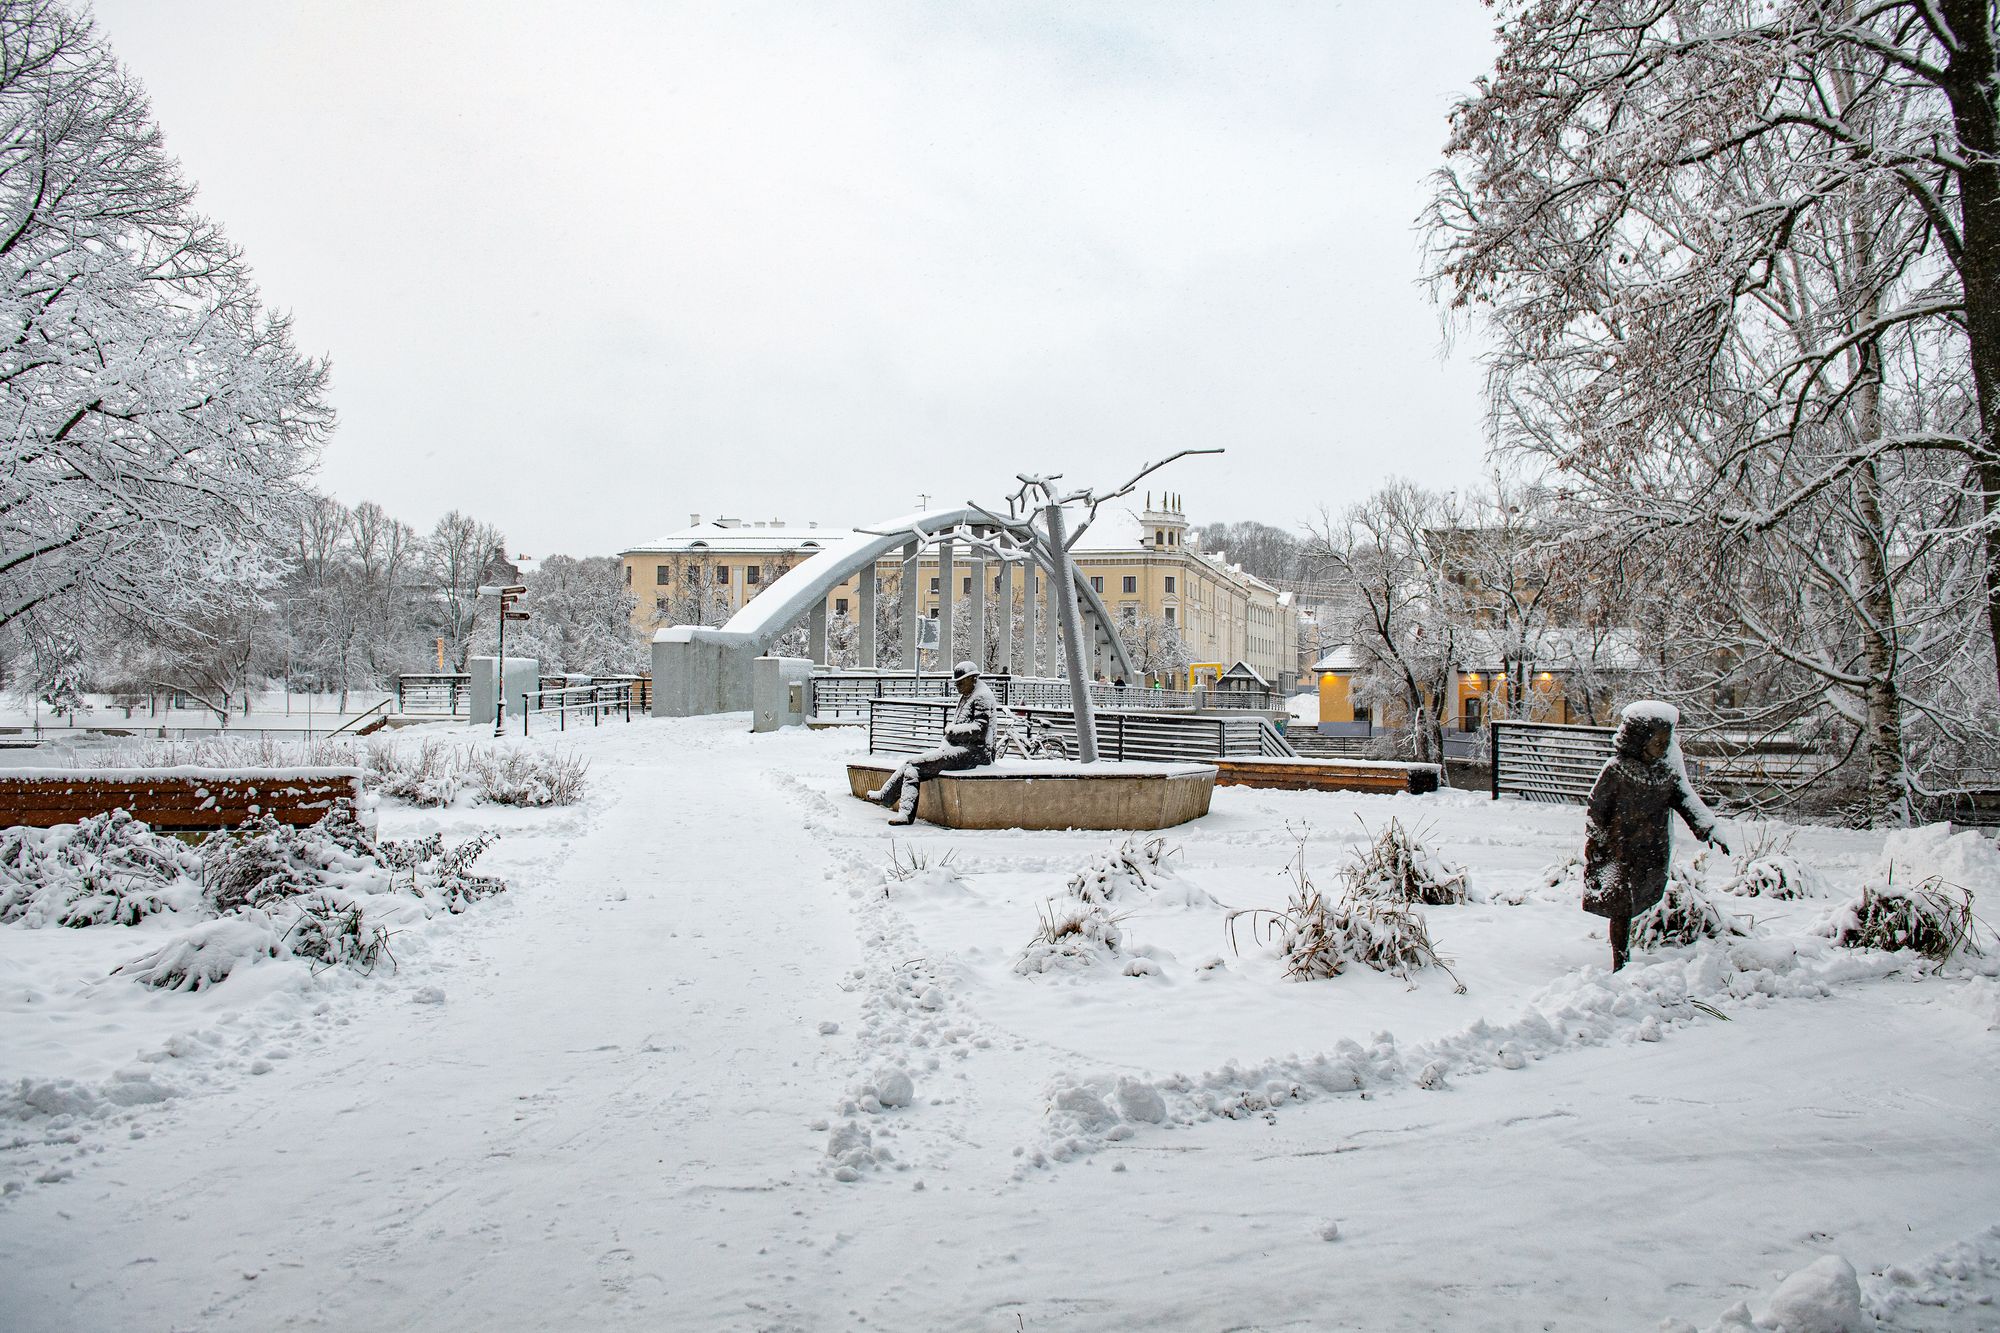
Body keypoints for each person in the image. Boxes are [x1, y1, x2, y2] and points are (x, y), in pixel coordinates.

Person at [1582, 701, 1730, 971]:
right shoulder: (1616, 769)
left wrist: (1708, 828)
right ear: (1639, 739)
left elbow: (1685, 798)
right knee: (1622, 907)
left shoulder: (1667, 770)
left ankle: (1627, 957)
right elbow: (1597, 808)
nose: (1662, 746)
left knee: (1639, 898)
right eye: (1657, 740)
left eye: (1666, 741)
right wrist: (1598, 842)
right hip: (1619, 851)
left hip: (1651, 849)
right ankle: (1621, 960)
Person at [866, 660, 998, 825]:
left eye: (960, 682)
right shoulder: (969, 694)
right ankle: (888, 799)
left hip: (974, 755)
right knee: (910, 765)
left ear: (973, 678)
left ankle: (900, 810)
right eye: (956, 683)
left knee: (913, 766)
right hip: (960, 750)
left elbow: (979, 730)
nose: (957, 686)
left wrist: (951, 731)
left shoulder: (981, 697)